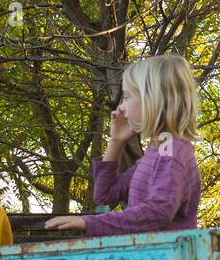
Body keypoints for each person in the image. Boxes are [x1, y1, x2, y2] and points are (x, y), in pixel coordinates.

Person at [45, 54, 201, 237]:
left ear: (152, 99)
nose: (122, 106)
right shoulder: (158, 150)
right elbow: (105, 195)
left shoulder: (171, 152)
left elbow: (158, 213)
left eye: (126, 97)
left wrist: (88, 222)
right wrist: (116, 141)